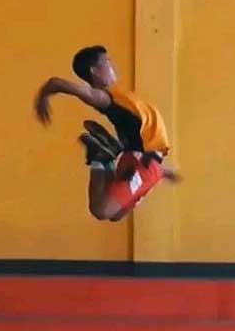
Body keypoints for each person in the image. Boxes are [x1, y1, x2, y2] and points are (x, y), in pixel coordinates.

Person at [34, 45, 180, 221]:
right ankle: (101, 158)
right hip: (142, 161)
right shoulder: (104, 97)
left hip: (139, 158)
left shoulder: (122, 96)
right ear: (95, 71)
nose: (113, 66)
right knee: (101, 210)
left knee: (116, 215)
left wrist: (161, 169)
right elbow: (55, 82)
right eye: (108, 62)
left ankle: (104, 157)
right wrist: (42, 97)